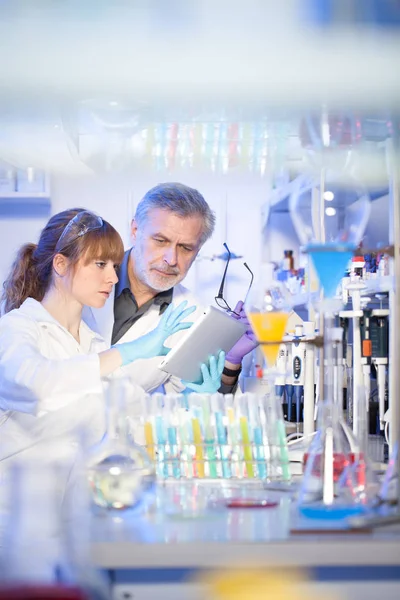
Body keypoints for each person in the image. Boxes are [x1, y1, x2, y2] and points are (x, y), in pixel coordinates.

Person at [0, 208, 198, 463]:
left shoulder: (93, 344)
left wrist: (192, 398)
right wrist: (125, 352)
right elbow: (37, 388)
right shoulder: (16, 327)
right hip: (19, 498)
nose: (114, 277)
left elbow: (138, 419)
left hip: (79, 500)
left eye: (115, 266)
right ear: (61, 264)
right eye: (100, 264)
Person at [83, 182, 257, 394]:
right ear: (135, 230)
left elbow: (187, 410)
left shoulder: (193, 317)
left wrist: (230, 362)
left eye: (185, 248)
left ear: (198, 250)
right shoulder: (81, 276)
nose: (171, 259)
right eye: (160, 240)